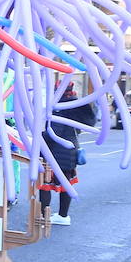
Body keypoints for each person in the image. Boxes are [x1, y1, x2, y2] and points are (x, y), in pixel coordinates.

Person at [39, 84, 97, 227]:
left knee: (44, 184)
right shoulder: (76, 104)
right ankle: (63, 215)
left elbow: (54, 132)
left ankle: (43, 217)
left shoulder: (59, 107)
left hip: (53, 151)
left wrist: (39, 138)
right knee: (66, 184)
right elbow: (89, 122)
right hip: (70, 149)